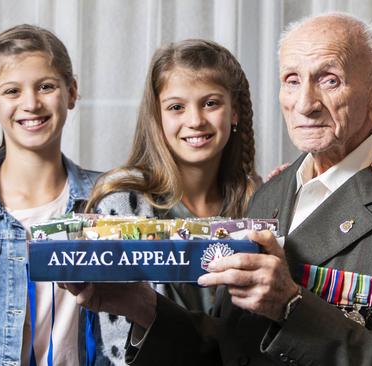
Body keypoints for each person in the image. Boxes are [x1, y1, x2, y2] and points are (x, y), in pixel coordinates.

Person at [65, 13, 372, 365]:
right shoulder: (268, 195)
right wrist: (139, 305)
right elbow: (227, 349)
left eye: (329, 80)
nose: (305, 102)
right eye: (291, 80)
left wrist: (291, 307)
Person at [83, 39, 259, 365]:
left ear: (234, 111)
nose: (195, 120)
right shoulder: (119, 205)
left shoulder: (261, 202)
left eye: (210, 103)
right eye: (176, 107)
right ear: (157, 117)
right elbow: (119, 348)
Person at [0, 25, 101, 366]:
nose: (31, 103)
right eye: (12, 91)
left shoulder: (111, 201)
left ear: (71, 92)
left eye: (46, 86)